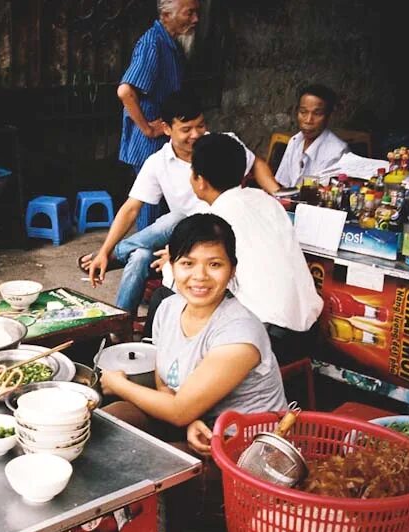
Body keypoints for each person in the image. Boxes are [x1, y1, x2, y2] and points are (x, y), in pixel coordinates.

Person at [101, 213, 288, 455]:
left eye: (214, 264)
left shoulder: (240, 332)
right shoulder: (169, 308)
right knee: (110, 421)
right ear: (172, 266)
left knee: (153, 466)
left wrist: (119, 384)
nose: (200, 276)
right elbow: (165, 382)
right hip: (196, 424)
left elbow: (178, 410)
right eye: (187, 263)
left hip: (245, 450)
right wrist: (189, 420)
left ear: (232, 270)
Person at [82, 90, 279, 314]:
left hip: (215, 236)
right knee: (159, 236)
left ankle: (118, 256)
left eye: (201, 125)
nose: (196, 134)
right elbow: (131, 209)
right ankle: (118, 327)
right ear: (166, 128)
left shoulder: (220, 146)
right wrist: (103, 249)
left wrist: (278, 191)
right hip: (182, 232)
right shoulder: (157, 163)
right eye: (186, 129)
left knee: (150, 246)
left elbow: (255, 163)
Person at [148, 134, 324, 363]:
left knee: (164, 297)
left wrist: (171, 266)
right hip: (307, 331)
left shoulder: (215, 221)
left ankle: (153, 367)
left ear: (199, 180)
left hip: (265, 340)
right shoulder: (266, 200)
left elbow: (185, 281)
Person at [118, 0, 199, 231]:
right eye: (189, 13)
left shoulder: (170, 44)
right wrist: (147, 128)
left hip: (163, 140)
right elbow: (125, 91)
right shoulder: (152, 44)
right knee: (149, 215)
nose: (195, 20)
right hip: (149, 144)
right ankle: (137, 260)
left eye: (196, 13)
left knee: (163, 215)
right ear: (166, 15)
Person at [275, 84, 348, 188]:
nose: (308, 120)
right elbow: (283, 184)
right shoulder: (295, 141)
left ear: (328, 116)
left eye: (317, 113)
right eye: (303, 112)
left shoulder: (338, 152)